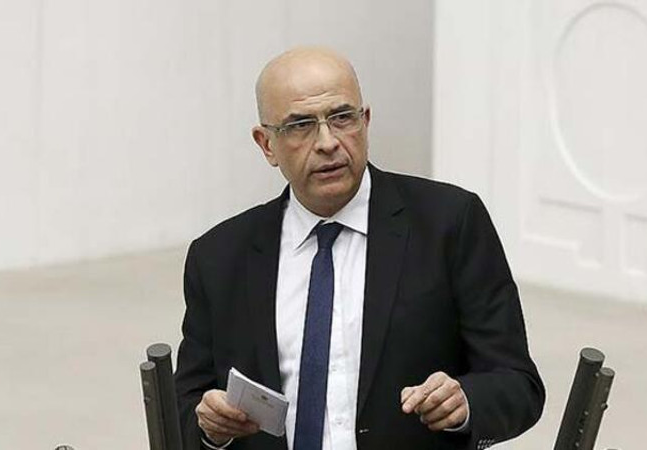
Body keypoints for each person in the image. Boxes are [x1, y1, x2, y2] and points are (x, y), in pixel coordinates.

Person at [174, 47, 544, 450]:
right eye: (300, 125)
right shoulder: (219, 257)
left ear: (365, 122)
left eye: (341, 117)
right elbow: (182, 410)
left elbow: (517, 383)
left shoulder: (450, 224)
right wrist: (210, 428)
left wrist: (465, 402)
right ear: (266, 145)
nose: (327, 142)